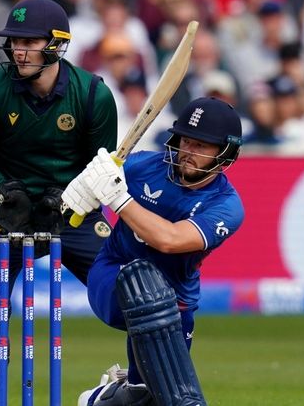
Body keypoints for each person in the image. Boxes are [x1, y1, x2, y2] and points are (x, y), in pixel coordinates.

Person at [0, 0, 118, 406]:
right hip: (5, 215)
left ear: (56, 44)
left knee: (134, 296)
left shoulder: (93, 95)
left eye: (29, 41)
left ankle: (140, 388)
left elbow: (102, 169)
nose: (18, 50)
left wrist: (66, 198)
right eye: (14, 41)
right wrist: (3, 190)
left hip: (71, 214)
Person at [62, 97, 245, 406]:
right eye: (186, 141)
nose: (188, 152)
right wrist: (85, 184)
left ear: (224, 154)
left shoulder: (226, 206)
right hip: (113, 274)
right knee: (145, 283)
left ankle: (101, 398)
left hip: (175, 301)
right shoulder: (142, 165)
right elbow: (87, 184)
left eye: (201, 146)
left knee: (148, 397)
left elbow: (170, 240)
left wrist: (119, 200)